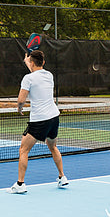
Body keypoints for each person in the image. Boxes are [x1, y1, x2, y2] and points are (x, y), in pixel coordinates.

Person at [8, 50, 68, 194]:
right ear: (44, 62)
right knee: (53, 147)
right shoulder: (49, 75)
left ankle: (20, 184)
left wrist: (19, 108)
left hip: (39, 120)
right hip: (54, 117)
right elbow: (36, 73)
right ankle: (62, 177)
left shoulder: (28, 78)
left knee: (23, 150)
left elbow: (21, 99)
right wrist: (28, 61)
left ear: (32, 63)